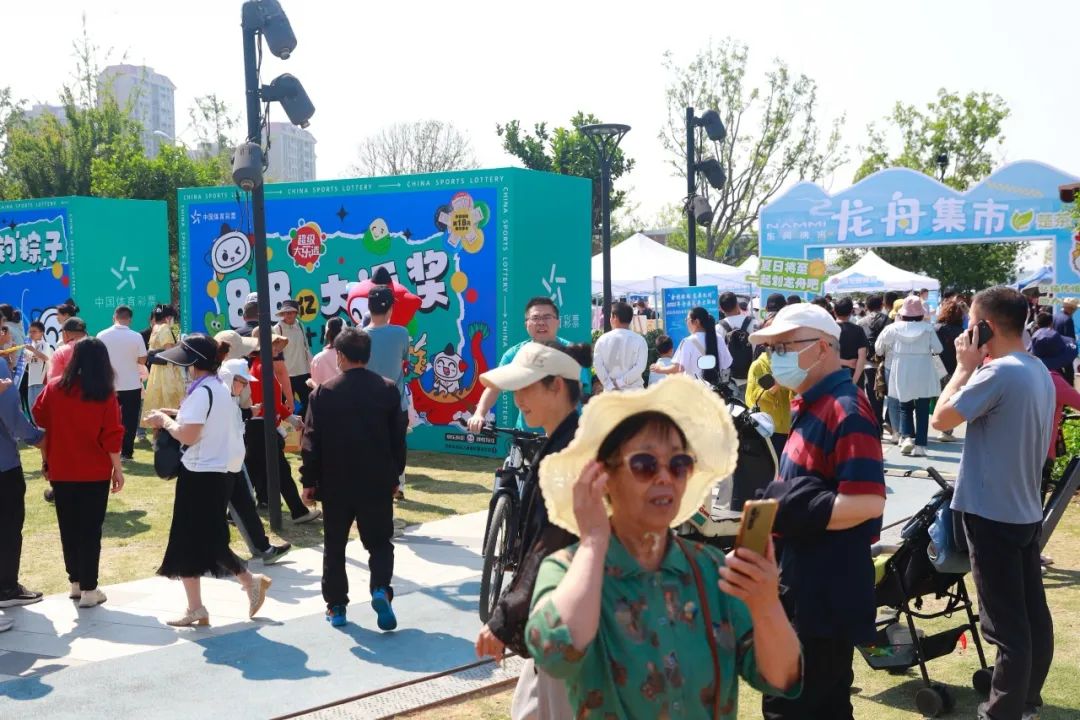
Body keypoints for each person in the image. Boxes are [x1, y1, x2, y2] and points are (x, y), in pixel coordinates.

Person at [524, 374, 802, 718]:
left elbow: (782, 678)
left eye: (679, 464)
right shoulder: (564, 570)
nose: (665, 477)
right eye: (644, 465)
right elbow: (554, 653)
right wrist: (594, 541)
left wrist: (766, 604)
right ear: (604, 478)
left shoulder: (712, 569)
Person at [747, 303, 886, 720]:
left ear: (824, 347)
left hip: (823, 597)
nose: (776, 356)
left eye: (785, 346)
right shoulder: (810, 404)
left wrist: (790, 506)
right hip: (800, 586)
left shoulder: (845, 408)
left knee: (795, 706)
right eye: (771, 348)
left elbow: (868, 502)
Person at [931, 287, 1055, 720]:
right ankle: (1026, 699)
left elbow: (940, 419)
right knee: (1031, 615)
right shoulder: (1037, 368)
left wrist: (962, 369)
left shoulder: (996, 372)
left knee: (1004, 625)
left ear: (984, 326)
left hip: (991, 512)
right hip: (1023, 510)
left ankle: (1003, 710)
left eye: (971, 323)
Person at [473, 341, 592, 719]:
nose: (517, 399)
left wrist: (503, 618)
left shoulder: (570, 453)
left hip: (569, 619)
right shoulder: (565, 442)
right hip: (558, 615)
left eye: (525, 387)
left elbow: (549, 544)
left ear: (556, 385)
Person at [144, 334, 272, 627]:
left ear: (193, 363)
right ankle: (201, 605)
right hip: (217, 472)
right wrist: (174, 415)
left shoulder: (202, 391)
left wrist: (165, 421)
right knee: (196, 540)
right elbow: (204, 422)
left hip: (200, 474)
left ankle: (242, 584)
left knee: (196, 539)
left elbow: (188, 435)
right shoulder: (217, 387)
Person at [300, 328, 406, 631]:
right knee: (380, 543)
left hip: (335, 483)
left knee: (334, 545)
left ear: (340, 356)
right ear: (368, 355)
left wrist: (309, 481)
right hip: (376, 480)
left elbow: (311, 441)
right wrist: (395, 476)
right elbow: (397, 438)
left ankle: (337, 606)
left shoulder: (323, 393)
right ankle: (380, 588)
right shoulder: (387, 389)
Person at [33, 338, 124, 608]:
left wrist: (46, 460)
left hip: (61, 468)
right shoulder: (105, 393)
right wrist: (118, 469)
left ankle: (75, 582)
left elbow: (41, 422)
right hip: (95, 471)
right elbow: (112, 435)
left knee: (68, 527)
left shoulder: (54, 388)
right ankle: (89, 588)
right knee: (90, 530)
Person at [467, 297, 592, 434]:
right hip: (527, 434)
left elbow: (579, 391)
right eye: (535, 318)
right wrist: (479, 414)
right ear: (526, 324)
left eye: (547, 317)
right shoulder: (514, 354)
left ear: (558, 322)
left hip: (566, 432)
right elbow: (493, 387)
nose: (541, 323)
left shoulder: (571, 352)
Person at [218, 353, 292, 565]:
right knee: (216, 513)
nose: (245, 387)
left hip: (232, 463)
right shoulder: (219, 397)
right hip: (219, 465)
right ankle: (222, 556)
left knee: (245, 506)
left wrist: (248, 411)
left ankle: (262, 548)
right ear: (230, 378)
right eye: (242, 382)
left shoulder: (229, 398)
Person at [245, 330, 320, 523]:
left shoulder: (259, 366)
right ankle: (298, 511)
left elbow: (272, 401)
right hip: (262, 426)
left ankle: (234, 512)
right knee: (280, 472)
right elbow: (270, 401)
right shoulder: (262, 368)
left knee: (253, 472)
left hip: (258, 425)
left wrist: (289, 417)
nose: (277, 349)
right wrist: (289, 418)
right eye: (274, 345)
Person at [0, 352, 46, 609]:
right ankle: (6, 587)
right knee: (7, 526)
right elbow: (12, 415)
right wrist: (38, 438)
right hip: (3, 466)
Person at [875, 297, 943, 457]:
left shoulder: (892, 328)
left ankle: (906, 437)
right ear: (921, 314)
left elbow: (878, 349)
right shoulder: (928, 329)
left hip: (901, 368)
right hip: (923, 369)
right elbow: (938, 349)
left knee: (904, 405)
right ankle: (920, 445)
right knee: (922, 408)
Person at [363, 283, 411, 501]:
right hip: (396, 404)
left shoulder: (359, 336)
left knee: (370, 452)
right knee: (396, 450)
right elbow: (404, 360)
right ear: (391, 308)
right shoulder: (401, 333)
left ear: (368, 307)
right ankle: (395, 487)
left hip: (367, 405)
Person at [97, 306, 148, 461]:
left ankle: (106, 450)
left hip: (108, 384)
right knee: (130, 420)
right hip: (131, 384)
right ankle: (126, 452)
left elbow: (98, 359)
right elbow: (142, 360)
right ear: (130, 319)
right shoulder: (136, 336)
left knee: (106, 419)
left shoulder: (102, 335)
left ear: (114, 317)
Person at [651, 306, 733, 386]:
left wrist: (660, 369)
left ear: (696, 322)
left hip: (695, 389)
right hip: (715, 389)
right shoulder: (718, 338)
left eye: (687, 320)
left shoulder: (688, 342)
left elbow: (678, 369)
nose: (686, 322)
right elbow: (727, 363)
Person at [746, 341, 794, 460]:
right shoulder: (758, 366)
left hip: (794, 427)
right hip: (770, 430)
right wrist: (775, 386)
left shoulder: (794, 363)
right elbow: (752, 399)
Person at [142, 305, 185, 428]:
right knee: (171, 401)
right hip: (167, 370)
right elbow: (169, 350)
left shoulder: (155, 328)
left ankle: (158, 431)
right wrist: (181, 344)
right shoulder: (165, 328)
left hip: (157, 369)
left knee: (158, 401)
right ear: (168, 317)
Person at [593, 301, 648, 392]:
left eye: (611, 316)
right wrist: (620, 382)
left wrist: (609, 385)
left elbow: (598, 365)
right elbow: (640, 367)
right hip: (634, 392)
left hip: (611, 394)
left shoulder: (602, 340)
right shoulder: (640, 340)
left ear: (615, 317)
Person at [933, 297, 966, 443]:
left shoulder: (936, 329)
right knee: (951, 398)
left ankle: (939, 425)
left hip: (938, 366)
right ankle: (946, 430)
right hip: (955, 368)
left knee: (939, 396)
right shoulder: (962, 332)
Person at [274, 299, 314, 417]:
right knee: (286, 407)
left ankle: (306, 426)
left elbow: (306, 347)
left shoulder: (300, 325)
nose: (288, 315)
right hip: (286, 375)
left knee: (309, 404)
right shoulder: (277, 328)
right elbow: (275, 354)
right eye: (286, 313)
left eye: (291, 312)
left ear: (296, 313)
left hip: (303, 372)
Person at [858, 294, 890, 437]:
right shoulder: (888, 320)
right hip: (885, 362)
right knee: (887, 395)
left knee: (872, 395)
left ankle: (877, 427)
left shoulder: (860, 322)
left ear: (866, 306)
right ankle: (886, 421)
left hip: (868, 363)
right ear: (881, 305)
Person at [720, 291, 755, 394]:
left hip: (729, 379)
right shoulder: (753, 323)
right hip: (751, 377)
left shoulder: (718, 328)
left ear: (721, 309)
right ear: (737, 305)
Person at [834, 297, 868, 383]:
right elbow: (862, 357)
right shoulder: (858, 330)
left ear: (834, 312)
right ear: (851, 312)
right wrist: (854, 382)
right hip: (853, 375)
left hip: (833, 377)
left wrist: (845, 362)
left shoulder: (827, 330)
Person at [25, 321, 53, 421]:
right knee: (32, 409)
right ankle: (37, 429)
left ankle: (42, 429)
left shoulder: (45, 345)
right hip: (31, 383)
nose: (31, 334)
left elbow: (46, 358)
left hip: (41, 382)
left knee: (39, 409)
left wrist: (33, 351)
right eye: (30, 332)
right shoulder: (30, 347)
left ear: (41, 333)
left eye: (34, 331)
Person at [47, 316, 88, 382]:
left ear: (65, 333)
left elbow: (52, 380)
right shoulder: (98, 347)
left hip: (68, 387)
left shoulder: (61, 352)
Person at [308, 318, 344, 388]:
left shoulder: (317, 359)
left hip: (325, 394)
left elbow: (317, 387)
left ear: (326, 334)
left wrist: (311, 383)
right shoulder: (351, 355)